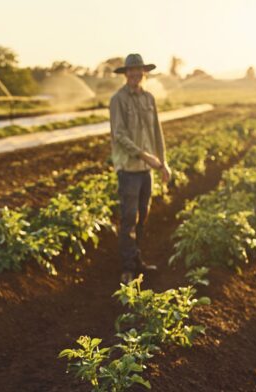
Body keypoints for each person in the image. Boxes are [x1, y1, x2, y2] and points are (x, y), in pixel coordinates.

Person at [109, 54, 171, 284]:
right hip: (129, 169)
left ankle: (137, 261)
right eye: (131, 71)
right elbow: (120, 135)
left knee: (142, 218)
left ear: (144, 73)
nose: (135, 75)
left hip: (147, 171)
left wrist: (163, 163)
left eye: (139, 71)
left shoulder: (149, 99)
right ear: (126, 74)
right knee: (128, 219)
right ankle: (126, 268)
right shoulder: (118, 100)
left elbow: (156, 132)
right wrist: (145, 155)